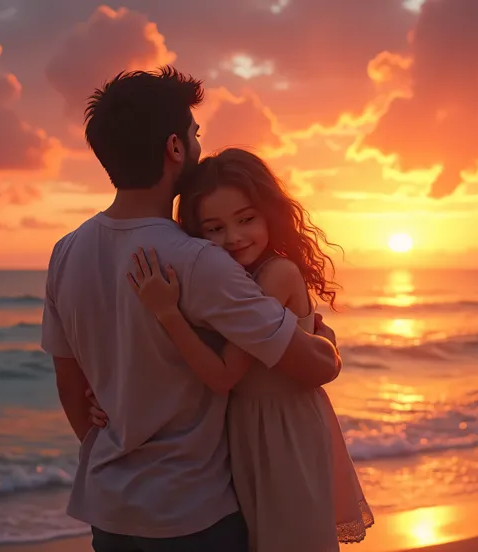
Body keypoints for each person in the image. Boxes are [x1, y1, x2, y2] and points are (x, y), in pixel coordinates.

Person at [40, 67, 341, 552]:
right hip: (193, 514)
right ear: (175, 148)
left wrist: (114, 449)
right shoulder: (199, 259)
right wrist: (321, 334)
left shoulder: (66, 252)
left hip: (111, 510)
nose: (199, 143)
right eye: (195, 133)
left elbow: (69, 385)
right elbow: (310, 365)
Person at [91, 148, 374, 551]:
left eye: (246, 220)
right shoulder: (234, 281)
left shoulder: (274, 274)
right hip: (247, 429)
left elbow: (223, 374)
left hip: (282, 430)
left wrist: (167, 313)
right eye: (214, 228)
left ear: (269, 215)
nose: (234, 238)